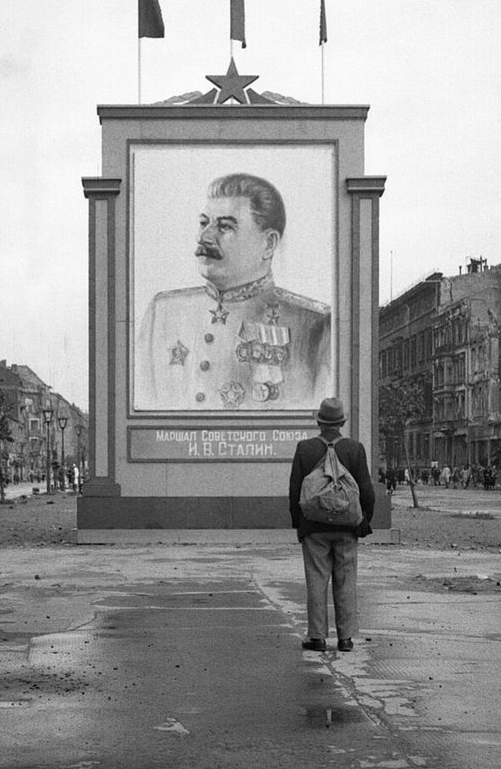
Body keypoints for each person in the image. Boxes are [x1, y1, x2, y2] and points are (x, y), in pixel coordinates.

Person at [135, 172, 331, 411]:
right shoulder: (162, 313)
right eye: (203, 223)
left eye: (225, 226)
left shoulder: (315, 325)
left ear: (268, 244)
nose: (204, 236)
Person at [288, 397, 374, 653]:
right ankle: (346, 638)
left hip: (314, 527)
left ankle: (317, 637)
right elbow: (366, 490)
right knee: (346, 580)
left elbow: (294, 491)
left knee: (316, 580)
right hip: (347, 526)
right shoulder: (355, 449)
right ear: (342, 423)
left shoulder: (304, 448)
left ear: (319, 422)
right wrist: (364, 520)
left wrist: (299, 525)